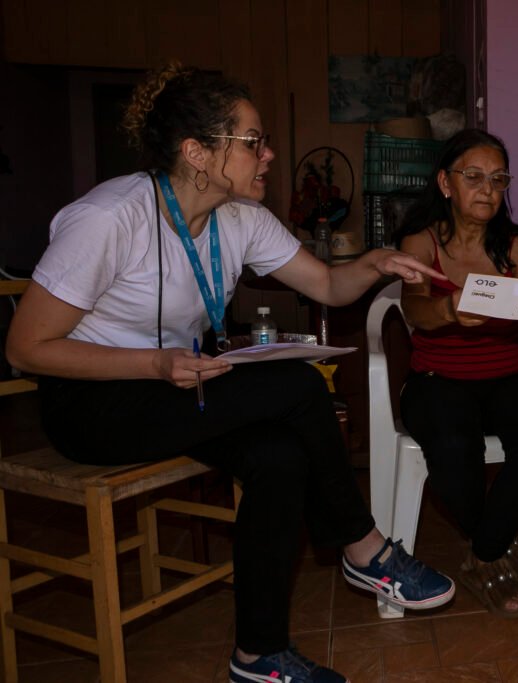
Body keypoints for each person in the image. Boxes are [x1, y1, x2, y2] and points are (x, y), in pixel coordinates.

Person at [5, 63, 457, 683]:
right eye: (252, 142)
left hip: (178, 386)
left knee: (279, 458)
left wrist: (379, 263)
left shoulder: (240, 218)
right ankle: (361, 544)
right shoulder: (110, 218)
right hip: (91, 403)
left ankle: (259, 655)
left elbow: (326, 284)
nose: (268, 155)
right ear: (197, 153)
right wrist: (154, 364)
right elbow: (26, 348)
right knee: (299, 385)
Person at [392, 129, 518, 618]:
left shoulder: (516, 248)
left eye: (498, 180)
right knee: (454, 446)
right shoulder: (421, 242)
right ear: (444, 183)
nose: (488, 189)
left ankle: (483, 552)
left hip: (508, 377)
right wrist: (450, 310)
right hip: (437, 379)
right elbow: (414, 309)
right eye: (473, 177)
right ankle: (497, 547)